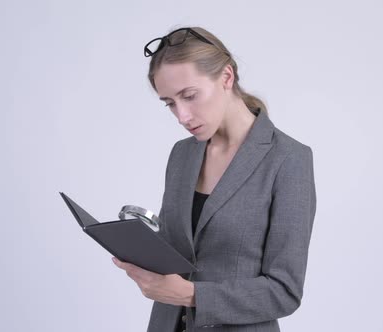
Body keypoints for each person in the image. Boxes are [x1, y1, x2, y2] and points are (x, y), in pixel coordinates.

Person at [112, 26, 317, 332]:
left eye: (190, 96)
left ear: (226, 77)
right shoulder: (182, 154)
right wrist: (140, 248)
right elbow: (180, 252)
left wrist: (194, 296)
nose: (182, 116)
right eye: (169, 103)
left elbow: (284, 292)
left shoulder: (288, 159)